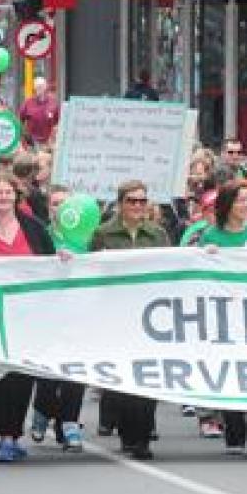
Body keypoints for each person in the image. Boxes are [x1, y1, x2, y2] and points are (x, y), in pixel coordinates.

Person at [0, 171, 56, 462]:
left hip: (29, 316)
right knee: (0, 375)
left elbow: (51, 262)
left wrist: (64, 259)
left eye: (7, 193)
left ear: (17, 197)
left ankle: (13, 435)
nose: (2, 198)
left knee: (21, 375)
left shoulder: (34, 228)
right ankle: (3, 435)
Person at [91, 180, 169, 460]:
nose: (138, 206)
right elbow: (91, 271)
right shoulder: (103, 234)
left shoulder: (158, 234)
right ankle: (127, 434)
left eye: (142, 201)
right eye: (132, 201)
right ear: (121, 203)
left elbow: (173, 269)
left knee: (149, 376)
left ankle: (143, 436)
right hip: (117, 315)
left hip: (151, 315)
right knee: (124, 377)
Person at [199, 180, 247, 457]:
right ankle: (234, 434)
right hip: (225, 316)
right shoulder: (212, 236)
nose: (244, 205)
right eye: (239, 200)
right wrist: (208, 257)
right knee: (231, 371)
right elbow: (201, 274)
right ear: (227, 205)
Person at [31, 184, 86, 450]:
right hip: (47, 311)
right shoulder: (42, 234)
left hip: (78, 311)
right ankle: (42, 409)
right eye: (55, 204)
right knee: (48, 368)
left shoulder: (88, 237)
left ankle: (69, 421)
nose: (60, 209)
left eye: (65, 203)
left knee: (76, 367)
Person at [19, 77, 59, 147]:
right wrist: (25, 136)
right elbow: (19, 120)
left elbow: (58, 122)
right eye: (37, 86)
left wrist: (54, 138)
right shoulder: (28, 103)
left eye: (41, 86)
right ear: (34, 88)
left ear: (46, 87)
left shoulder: (53, 103)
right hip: (32, 143)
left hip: (48, 143)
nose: (39, 89)